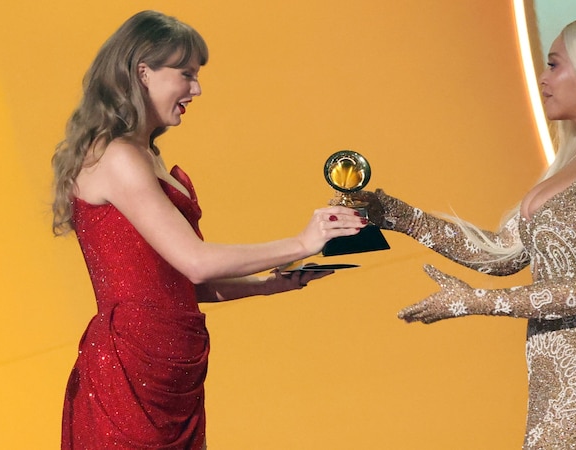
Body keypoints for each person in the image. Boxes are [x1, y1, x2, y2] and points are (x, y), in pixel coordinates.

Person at [357, 14, 576, 449]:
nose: (543, 78)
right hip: (557, 380)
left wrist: (474, 302)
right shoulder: (571, 167)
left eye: (554, 65)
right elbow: (501, 255)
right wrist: (399, 216)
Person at [51, 10, 366, 449]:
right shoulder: (118, 158)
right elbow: (195, 263)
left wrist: (266, 285)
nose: (196, 89)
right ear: (143, 72)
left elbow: (178, 285)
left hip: (173, 367)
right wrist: (300, 241)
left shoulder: (146, 157)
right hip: (131, 373)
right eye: (186, 74)